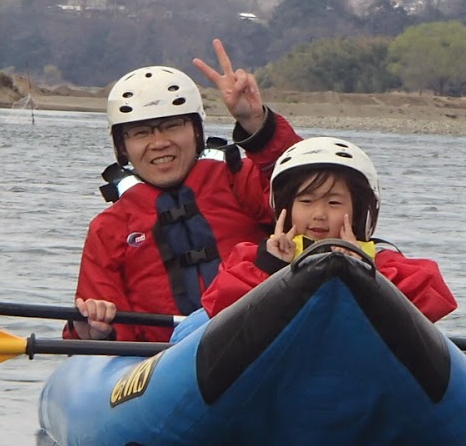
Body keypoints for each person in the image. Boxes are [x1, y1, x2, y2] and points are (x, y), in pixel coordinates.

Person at [67, 39, 304, 343]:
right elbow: (100, 328)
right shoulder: (108, 229)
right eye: (141, 133)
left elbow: (307, 189)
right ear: (122, 148)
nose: (159, 143)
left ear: (196, 132)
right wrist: (93, 330)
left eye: (172, 126)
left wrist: (254, 121)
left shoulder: (239, 179)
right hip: (167, 358)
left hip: (261, 334)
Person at [200, 136, 457, 324]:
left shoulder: (382, 262)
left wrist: (361, 270)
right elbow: (218, 304)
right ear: (286, 207)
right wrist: (269, 267)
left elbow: (433, 296)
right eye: (306, 201)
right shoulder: (255, 259)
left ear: (358, 210)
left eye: (334, 203)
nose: (319, 214)